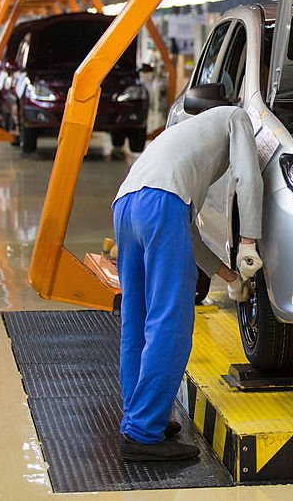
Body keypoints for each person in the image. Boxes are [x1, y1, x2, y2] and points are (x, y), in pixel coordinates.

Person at [112, 105, 265, 461]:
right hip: (162, 203)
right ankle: (143, 433)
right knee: (171, 320)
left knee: (137, 319)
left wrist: (228, 277)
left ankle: (138, 416)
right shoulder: (237, 117)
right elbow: (247, 177)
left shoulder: (183, 137)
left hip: (126, 204)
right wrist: (248, 241)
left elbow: (189, 235)